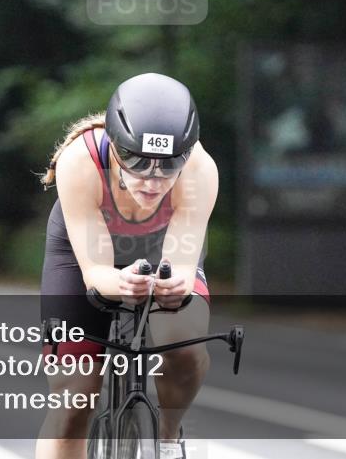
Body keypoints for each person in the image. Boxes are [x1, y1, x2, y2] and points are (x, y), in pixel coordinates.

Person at [36, 73, 218, 459]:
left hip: (162, 250)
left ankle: (167, 436)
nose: (152, 180)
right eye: (135, 161)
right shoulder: (80, 161)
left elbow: (182, 263)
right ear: (114, 146)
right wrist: (120, 283)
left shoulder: (201, 170)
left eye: (168, 165)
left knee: (182, 342)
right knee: (74, 396)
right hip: (83, 253)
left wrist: (173, 288)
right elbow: (97, 273)